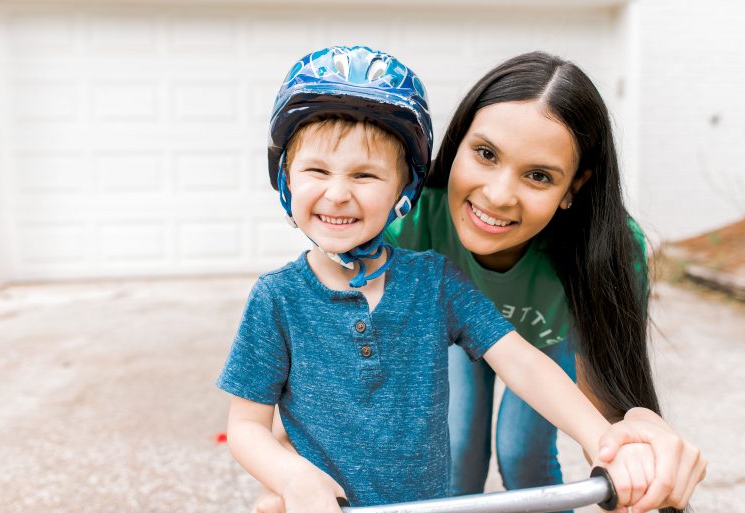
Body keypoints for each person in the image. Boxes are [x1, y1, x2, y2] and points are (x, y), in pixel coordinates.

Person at [217, 46, 655, 513]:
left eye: (365, 174)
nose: (339, 193)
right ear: (285, 178)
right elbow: (247, 424)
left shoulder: (435, 280)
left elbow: (523, 364)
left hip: (430, 503)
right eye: (317, 170)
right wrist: (289, 475)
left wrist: (608, 441)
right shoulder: (275, 298)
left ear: (405, 187)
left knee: (521, 453)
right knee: (463, 450)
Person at [382, 51, 706, 513]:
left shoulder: (609, 249)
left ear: (573, 187)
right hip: (456, 338)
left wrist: (635, 435)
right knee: (456, 453)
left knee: (523, 453)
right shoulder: (412, 219)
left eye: (538, 175)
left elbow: (609, 400)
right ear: (456, 144)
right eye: (486, 153)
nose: (498, 195)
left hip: (548, 343)